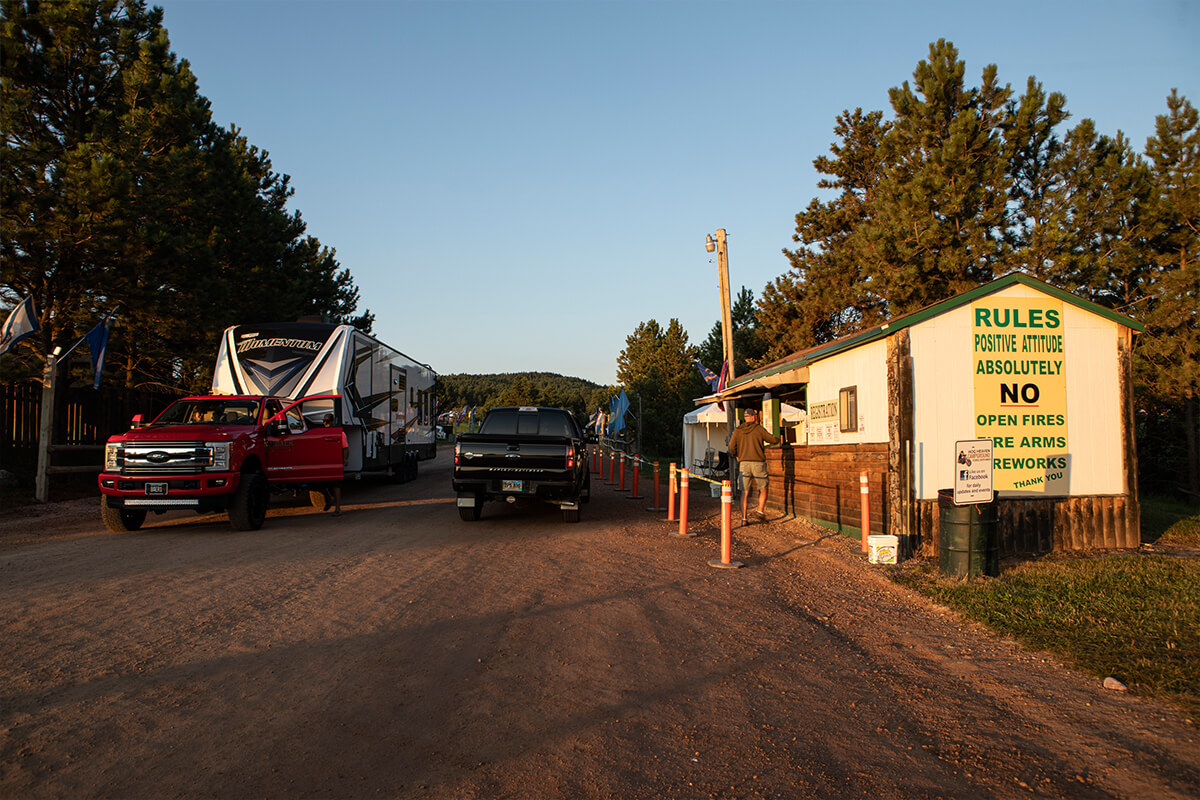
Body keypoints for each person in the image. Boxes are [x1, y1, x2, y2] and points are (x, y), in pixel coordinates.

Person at [727, 407, 780, 525]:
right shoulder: (758, 429)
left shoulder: (737, 430)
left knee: (744, 492)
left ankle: (744, 519)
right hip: (758, 463)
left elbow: (731, 447)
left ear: (745, 418)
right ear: (753, 417)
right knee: (763, 488)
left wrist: (737, 455)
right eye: (754, 416)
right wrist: (777, 438)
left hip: (744, 464)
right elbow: (772, 439)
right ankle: (760, 511)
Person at [320, 413, 349, 516]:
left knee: (336, 485)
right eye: (324, 421)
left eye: (327, 421)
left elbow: (345, 448)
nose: (325, 423)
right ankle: (329, 497)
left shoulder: (340, 434)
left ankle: (337, 508)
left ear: (332, 422)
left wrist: (345, 459)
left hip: (336, 461)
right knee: (320, 483)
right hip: (325, 462)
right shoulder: (321, 433)